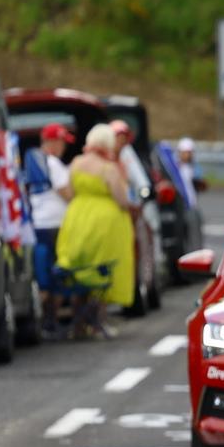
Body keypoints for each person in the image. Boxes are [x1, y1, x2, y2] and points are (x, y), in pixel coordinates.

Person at [54, 123, 135, 338]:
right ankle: (97, 321)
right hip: (104, 223)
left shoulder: (77, 163)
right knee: (102, 270)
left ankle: (78, 324)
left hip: (76, 218)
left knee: (80, 269)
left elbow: (70, 191)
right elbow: (121, 199)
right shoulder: (109, 168)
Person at [25, 123, 75, 337]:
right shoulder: (53, 163)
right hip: (55, 226)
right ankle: (50, 321)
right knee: (57, 277)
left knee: (43, 274)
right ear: (52, 142)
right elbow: (66, 193)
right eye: (62, 141)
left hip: (38, 224)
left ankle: (45, 322)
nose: (64, 146)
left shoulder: (33, 162)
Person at [176, 137, 208, 202]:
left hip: (192, 201)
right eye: (185, 152)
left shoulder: (195, 167)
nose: (188, 155)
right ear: (180, 152)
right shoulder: (175, 167)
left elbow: (201, 184)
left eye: (189, 153)